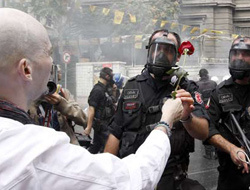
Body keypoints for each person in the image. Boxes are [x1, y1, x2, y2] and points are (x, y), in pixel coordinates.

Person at [0, 8, 190, 190]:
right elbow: (129, 179)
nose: (52, 62)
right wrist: (165, 121)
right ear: (26, 69)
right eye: (49, 53)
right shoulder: (37, 153)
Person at [104, 29, 209, 190]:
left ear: (178, 56)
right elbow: (116, 132)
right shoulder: (132, 86)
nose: (161, 54)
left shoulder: (186, 88)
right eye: (157, 48)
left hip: (172, 179)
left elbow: (203, 132)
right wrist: (107, 176)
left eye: (167, 50)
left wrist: (187, 117)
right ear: (149, 51)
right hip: (132, 177)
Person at [206, 36, 250, 190]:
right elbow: (208, 129)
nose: (239, 58)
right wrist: (231, 148)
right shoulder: (219, 92)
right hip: (230, 177)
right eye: (235, 53)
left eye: (245, 54)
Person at [29, 65, 87, 145]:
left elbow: (83, 119)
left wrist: (61, 103)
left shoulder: (63, 94)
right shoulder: (30, 96)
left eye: (51, 74)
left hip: (65, 147)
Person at [84, 67, 117, 153]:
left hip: (107, 123)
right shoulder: (97, 90)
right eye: (111, 76)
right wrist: (88, 127)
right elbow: (91, 109)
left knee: (96, 146)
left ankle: (87, 161)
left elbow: (113, 101)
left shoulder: (105, 88)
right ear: (107, 76)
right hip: (101, 124)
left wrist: (114, 90)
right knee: (108, 146)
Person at [196, 68, 217, 159]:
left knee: (205, 130)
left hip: (203, 110)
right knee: (215, 129)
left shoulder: (197, 85)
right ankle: (216, 152)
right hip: (213, 109)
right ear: (207, 74)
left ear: (200, 75)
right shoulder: (213, 83)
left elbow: (197, 99)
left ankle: (208, 153)